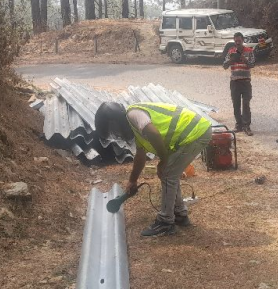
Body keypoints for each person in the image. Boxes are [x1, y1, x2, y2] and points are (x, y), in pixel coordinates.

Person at [94, 101, 212, 237]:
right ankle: (179, 214)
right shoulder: (136, 128)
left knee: (167, 174)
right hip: (195, 133)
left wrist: (163, 160)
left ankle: (165, 222)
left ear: (117, 120)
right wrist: (132, 180)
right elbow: (140, 156)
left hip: (196, 132)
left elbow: (153, 133)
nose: (117, 134)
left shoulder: (133, 114)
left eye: (114, 130)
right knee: (170, 174)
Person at [223, 32, 255, 136]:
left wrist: (245, 60)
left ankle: (246, 126)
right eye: (236, 41)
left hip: (246, 82)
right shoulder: (231, 51)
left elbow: (252, 64)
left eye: (239, 40)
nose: (237, 42)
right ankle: (238, 125)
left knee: (246, 104)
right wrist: (231, 60)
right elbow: (224, 66)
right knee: (236, 104)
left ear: (243, 40)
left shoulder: (249, 51)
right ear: (234, 40)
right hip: (234, 82)